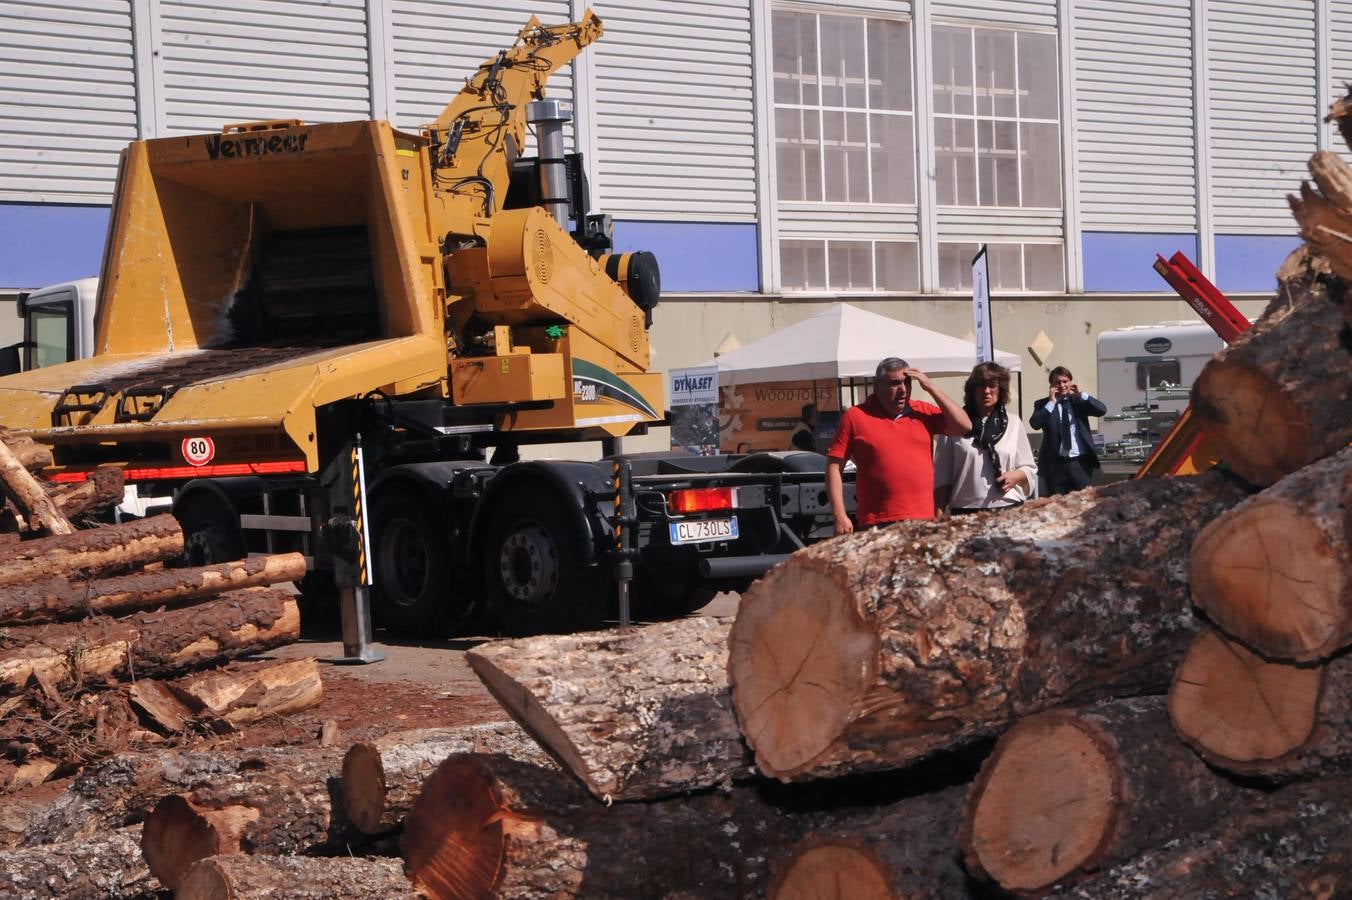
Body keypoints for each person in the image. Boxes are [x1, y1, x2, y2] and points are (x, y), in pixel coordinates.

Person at [826, 358, 971, 534]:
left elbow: (964, 426)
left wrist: (930, 387)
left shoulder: (922, 411)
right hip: (877, 521)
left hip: (922, 519)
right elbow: (834, 466)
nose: (902, 390)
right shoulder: (856, 416)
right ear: (877, 386)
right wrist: (839, 515)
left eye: (907, 383)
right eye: (894, 384)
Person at [934, 362, 1037, 515]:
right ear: (973, 390)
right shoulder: (953, 425)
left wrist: (1014, 477)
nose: (987, 391)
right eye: (981, 385)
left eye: (992, 385)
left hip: (1008, 508)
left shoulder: (1014, 422)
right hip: (965, 511)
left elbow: (1029, 468)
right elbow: (942, 476)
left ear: (1000, 389)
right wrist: (939, 515)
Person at [1029, 365, 1107, 495]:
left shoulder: (1078, 401)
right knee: (1056, 506)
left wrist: (1082, 395)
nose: (1062, 385)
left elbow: (1101, 410)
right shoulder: (1043, 404)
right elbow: (1035, 424)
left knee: (1085, 500)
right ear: (1052, 385)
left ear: (1070, 382)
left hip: (1080, 463)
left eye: (1065, 381)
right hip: (1055, 466)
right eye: (1057, 382)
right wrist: (1051, 403)